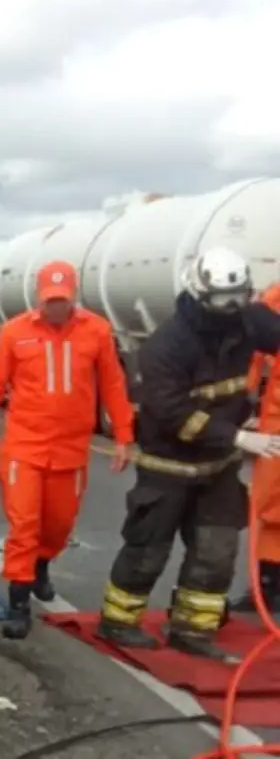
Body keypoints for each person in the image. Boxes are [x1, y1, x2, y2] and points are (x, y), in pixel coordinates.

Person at [97, 247, 280, 662]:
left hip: (219, 467)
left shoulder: (248, 321)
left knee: (216, 550)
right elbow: (171, 412)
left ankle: (192, 630)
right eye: (222, 299)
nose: (231, 307)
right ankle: (118, 622)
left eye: (238, 296)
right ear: (199, 294)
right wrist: (236, 436)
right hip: (169, 466)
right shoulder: (166, 346)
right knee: (148, 549)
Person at [0, 259, 135, 640]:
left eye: (62, 300)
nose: (56, 307)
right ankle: (18, 603)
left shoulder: (96, 331)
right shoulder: (15, 333)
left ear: (72, 296)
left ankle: (41, 565)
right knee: (24, 526)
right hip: (24, 449)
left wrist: (124, 435)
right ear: (39, 298)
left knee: (59, 526)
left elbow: (113, 384)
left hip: (70, 451)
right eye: (50, 300)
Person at [227, 281, 280, 615]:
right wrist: (239, 401)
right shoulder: (273, 300)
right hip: (277, 424)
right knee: (270, 503)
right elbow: (253, 350)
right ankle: (268, 583)